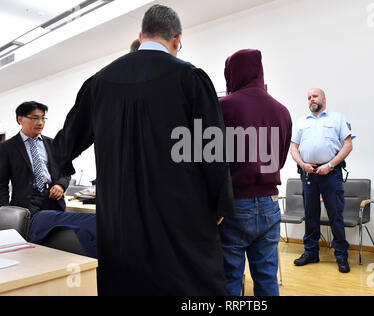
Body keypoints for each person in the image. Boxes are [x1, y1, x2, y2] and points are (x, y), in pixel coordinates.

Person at [51, 4, 234, 296]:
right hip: (180, 222)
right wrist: (220, 204)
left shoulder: (98, 83)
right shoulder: (190, 78)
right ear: (177, 40)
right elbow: (212, 151)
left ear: (140, 35)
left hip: (120, 224)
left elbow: (62, 148)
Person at [219, 49, 292, 296]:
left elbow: (212, 162)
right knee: (267, 278)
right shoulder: (282, 111)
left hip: (235, 205)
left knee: (230, 277)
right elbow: (280, 160)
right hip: (271, 204)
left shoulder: (223, 107)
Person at [0, 101, 97, 258]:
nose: (40, 123)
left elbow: (66, 171)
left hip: (53, 198)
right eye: (35, 118)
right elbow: (1, 184)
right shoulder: (7, 148)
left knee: (58, 241)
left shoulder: (53, 144)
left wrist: (61, 184)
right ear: (20, 119)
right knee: (31, 247)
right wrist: (5, 213)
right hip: (26, 204)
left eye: (43, 118)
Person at [290, 88, 354, 273]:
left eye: (315, 96)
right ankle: (311, 252)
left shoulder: (338, 118)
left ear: (324, 98)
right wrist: (302, 164)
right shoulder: (301, 122)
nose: (311, 100)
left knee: (336, 215)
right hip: (308, 173)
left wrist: (331, 165)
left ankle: (341, 255)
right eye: (308, 97)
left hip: (331, 173)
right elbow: (294, 148)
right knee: (310, 215)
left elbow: (348, 145)